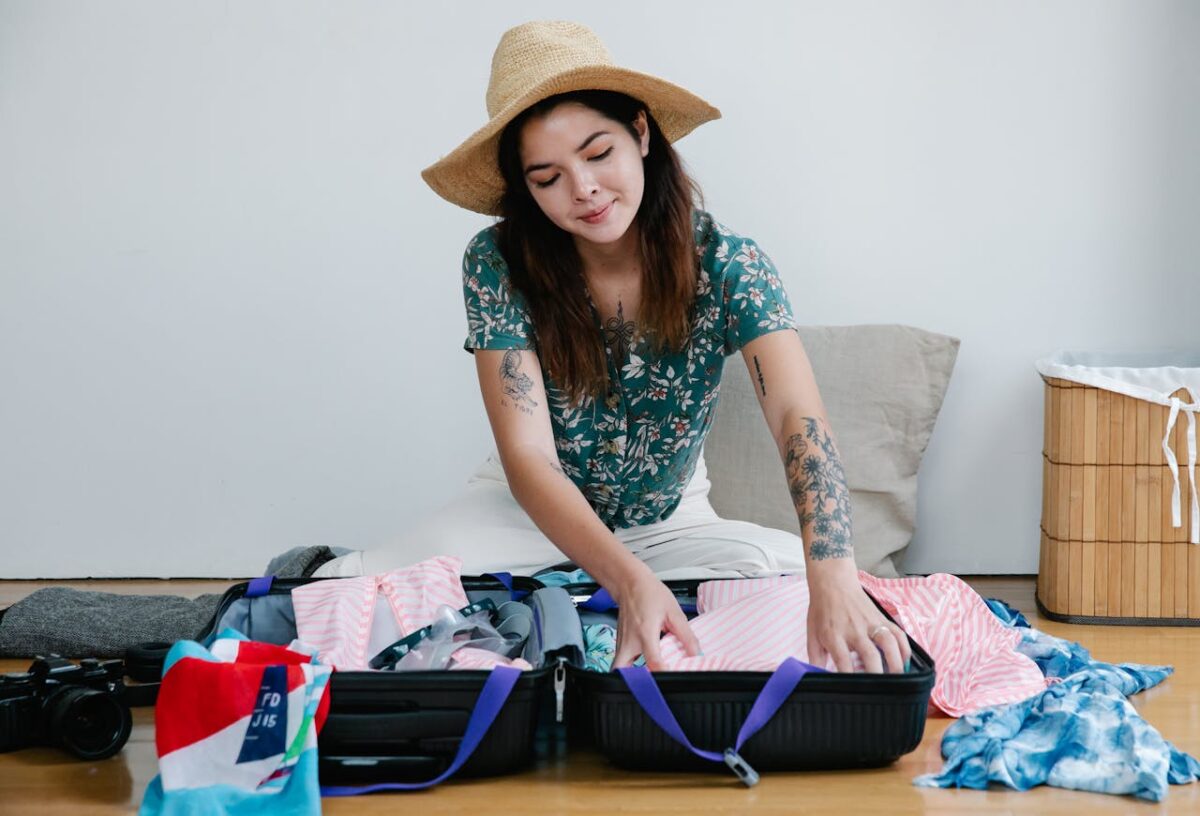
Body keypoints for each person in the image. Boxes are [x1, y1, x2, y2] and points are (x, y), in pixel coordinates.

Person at [317, 20, 911, 675]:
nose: (584, 189)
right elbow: (529, 458)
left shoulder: (732, 264)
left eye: (598, 153)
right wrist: (628, 581)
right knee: (341, 600)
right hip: (526, 513)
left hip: (673, 521)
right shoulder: (495, 262)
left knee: (808, 587)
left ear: (641, 132)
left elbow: (798, 417)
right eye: (548, 178)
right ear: (525, 190)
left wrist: (831, 574)